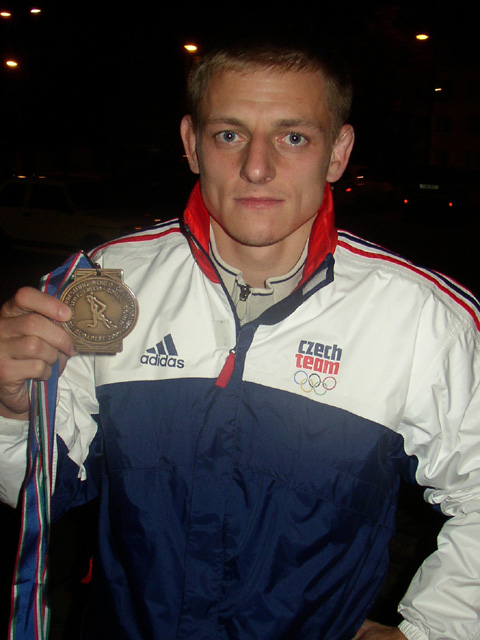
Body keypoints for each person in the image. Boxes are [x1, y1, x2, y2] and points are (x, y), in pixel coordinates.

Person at [1, 42, 480, 640]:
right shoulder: (103, 286)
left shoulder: (420, 317)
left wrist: (432, 629)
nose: (257, 167)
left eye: (293, 137)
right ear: (190, 143)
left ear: (338, 152)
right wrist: (11, 412)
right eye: (229, 135)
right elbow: (37, 486)